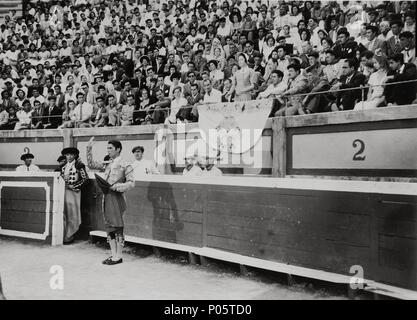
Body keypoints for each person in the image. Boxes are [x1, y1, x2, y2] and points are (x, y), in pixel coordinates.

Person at [86, 137, 135, 265]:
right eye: (107, 148)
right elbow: (91, 165)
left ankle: (118, 256)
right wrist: (89, 148)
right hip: (107, 197)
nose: (108, 151)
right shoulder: (107, 163)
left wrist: (116, 187)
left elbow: (131, 183)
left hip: (117, 197)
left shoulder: (125, 164)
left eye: (110, 148)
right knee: (109, 226)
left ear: (118, 149)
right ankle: (113, 254)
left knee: (117, 226)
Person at [60, 147, 88, 245]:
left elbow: (85, 179)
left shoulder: (79, 165)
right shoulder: (63, 166)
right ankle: (65, 235)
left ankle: (70, 235)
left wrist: (75, 185)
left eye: (71, 154)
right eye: (67, 155)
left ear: (75, 155)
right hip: (63, 192)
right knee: (64, 213)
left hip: (74, 193)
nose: (69, 156)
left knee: (73, 213)